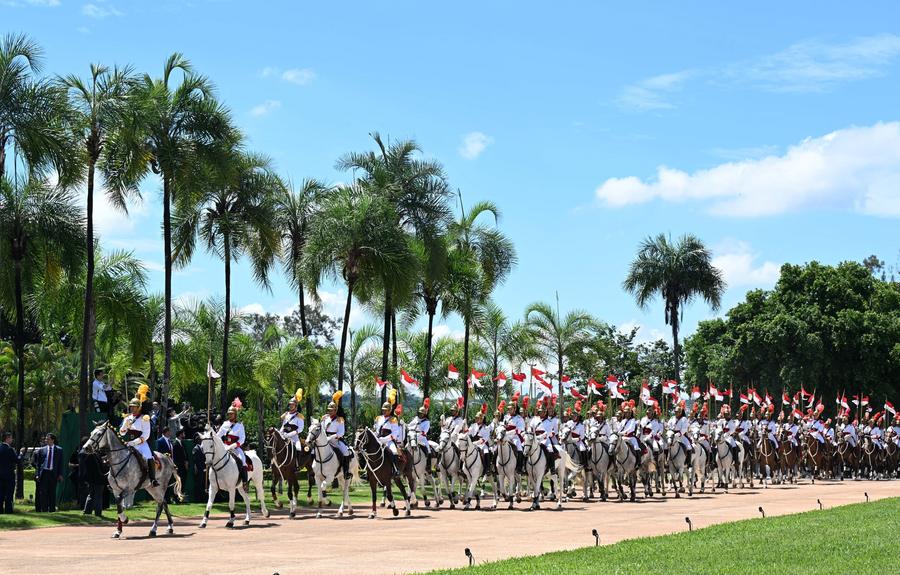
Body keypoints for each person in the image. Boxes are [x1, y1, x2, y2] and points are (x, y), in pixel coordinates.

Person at [120, 393, 158, 487]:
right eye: (131, 406)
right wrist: (125, 425)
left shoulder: (144, 418)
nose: (132, 408)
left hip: (141, 444)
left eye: (134, 407)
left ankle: (153, 479)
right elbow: (122, 433)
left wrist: (135, 442)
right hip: (128, 442)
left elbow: (146, 435)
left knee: (149, 456)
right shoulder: (127, 417)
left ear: (139, 408)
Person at [218, 398, 249, 488]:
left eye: (232, 414)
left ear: (235, 415)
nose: (230, 415)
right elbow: (218, 435)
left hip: (235, 447)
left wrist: (234, 445)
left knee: (242, 459)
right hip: (224, 446)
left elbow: (242, 439)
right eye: (229, 414)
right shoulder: (224, 424)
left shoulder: (239, 425)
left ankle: (244, 482)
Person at [323, 391, 352, 480]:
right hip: (324, 439)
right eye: (328, 410)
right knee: (313, 450)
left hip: (335, 440)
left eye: (331, 410)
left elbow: (341, 433)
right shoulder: (325, 418)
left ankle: (346, 472)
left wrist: (331, 437)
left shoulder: (340, 419)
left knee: (346, 452)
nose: (329, 411)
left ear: (335, 410)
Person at [375, 390, 403, 476]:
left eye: (386, 410)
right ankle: (367, 471)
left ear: (390, 410)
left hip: (389, 441)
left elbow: (394, 434)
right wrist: (377, 437)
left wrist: (385, 439)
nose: (384, 412)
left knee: (394, 451)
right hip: (379, 439)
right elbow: (376, 429)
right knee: (370, 450)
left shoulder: (393, 419)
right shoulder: (378, 418)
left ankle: (395, 469)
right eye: (383, 410)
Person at [34, 433, 64, 512]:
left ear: (53, 440)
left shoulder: (59, 450)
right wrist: (37, 474)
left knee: (52, 492)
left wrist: (60, 474)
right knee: (43, 492)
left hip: (53, 473)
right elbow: (38, 464)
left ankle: (52, 509)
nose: (46, 440)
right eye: (46, 439)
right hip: (44, 473)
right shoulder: (41, 450)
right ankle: (44, 509)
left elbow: (60, 463)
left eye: (48, 439)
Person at [81, 446, 107, 517]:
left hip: (91, 480)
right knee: (98, 496)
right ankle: (98, 513)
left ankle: (87, 511)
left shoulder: (86, 457)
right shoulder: (94, 456)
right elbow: (99, 468)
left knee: (91, 495)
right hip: (98, 479)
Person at [503, 393, 526, 473]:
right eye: (508, 409)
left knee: (519, 447)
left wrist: (509, 433)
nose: (509, 410)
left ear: (515, 409)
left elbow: (519, 430)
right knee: (496, 447)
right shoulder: (506, 417)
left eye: (510, 409)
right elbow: (503, 426)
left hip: (515, 437)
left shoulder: (519, 418)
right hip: (505, 436)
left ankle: (519, 467)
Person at [467, 404, 494, 470]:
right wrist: (464, 426)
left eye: (477, 418)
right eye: (476, 418)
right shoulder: (473, 425)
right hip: (472, 442)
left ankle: (487, 468)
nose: (476, 419)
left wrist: (475, 443)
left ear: (482, 419)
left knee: (486, 451)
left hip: (482, 444)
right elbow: (468, 432)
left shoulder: (486, 428)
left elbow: (484, 440)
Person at [409, 397, 433, 469]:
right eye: (420, 413)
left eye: (422, 413)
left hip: (421, 438)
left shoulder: (427, 422)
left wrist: (419, 432)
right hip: (413, 435)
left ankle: (428, 467)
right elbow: (410, 425)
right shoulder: (416, 418)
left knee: (428, 449)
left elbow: (425, 431)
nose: (421, 415)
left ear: (425, 414)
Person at [667, 401, 693, 466]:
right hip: (672, 435)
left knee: (689, 447)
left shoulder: (684, 419)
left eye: (677, 412)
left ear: (680, 412)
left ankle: (688, 462)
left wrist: (678, 434)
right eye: (675, 412)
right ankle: (667, 461)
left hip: (681, 436)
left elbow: (684, 429)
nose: (676, 413)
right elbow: (668, 425)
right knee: (665, 445)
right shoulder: (672, 418)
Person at [0, 431, 18, 513]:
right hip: (9, 476)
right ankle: (8, 510)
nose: (12, 439)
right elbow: (16, 460)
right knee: (9, 494)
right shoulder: (10, 449)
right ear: (7, 438)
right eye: (10, 438)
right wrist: (21, 454)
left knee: (0, 494)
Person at [566, 401, 588, 467]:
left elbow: (582, 436)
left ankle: (584, 464)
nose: (573, 417)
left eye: (575, 416)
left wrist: (575, 439)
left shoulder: (581, 425)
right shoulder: (569, 422)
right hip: (569, 439)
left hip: (577, 440)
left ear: (577, 416)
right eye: (572, 416)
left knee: (583, 449)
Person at [172, 429, 188, 499]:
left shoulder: (182, 443)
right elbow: (175, 456)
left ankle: (181, 496)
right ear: (180, 434)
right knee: (178, 482)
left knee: (183, 481)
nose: (184, 435)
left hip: (183, 466)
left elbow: (185, 454)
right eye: (183, 433)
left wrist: (186, 462)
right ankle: (176, 497)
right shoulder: (175, 443)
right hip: (178, 466)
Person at [191, 435, 207, 503]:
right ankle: (197, 498)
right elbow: (196, 460)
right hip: (199, 469)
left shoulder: (202, 448)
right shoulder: (195, 448)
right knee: (198, 484)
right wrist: (201, 468)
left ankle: (202, 498)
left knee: (203, 484)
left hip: (204, 469)